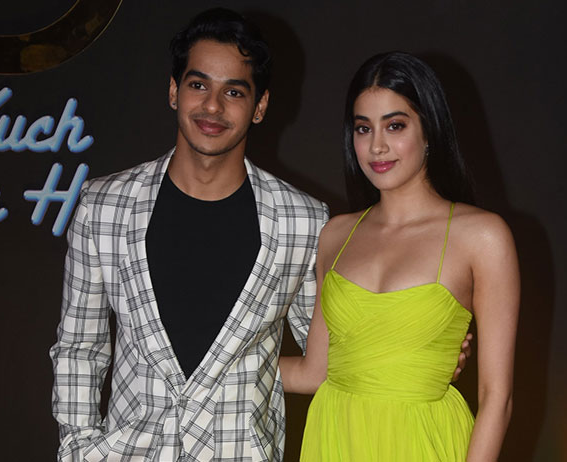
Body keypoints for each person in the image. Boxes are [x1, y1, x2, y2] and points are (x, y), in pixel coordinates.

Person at [48, 9, 328, 461]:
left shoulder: (304, 221)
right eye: (198, 85)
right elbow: (80, 347)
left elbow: (334, 357)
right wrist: (79, 446)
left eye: (233, 91)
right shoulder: (103, 206)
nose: (213, 106)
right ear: (174, 91)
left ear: (259, 106)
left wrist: (422, 350)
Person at [280, 51, 520, 461]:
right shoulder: (335, 235)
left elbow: (497, 397)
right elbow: (312, 372)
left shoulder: (482, 236)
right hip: (335, 440)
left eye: (395, 125)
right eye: (363, 128)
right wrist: (220, 365)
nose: (377, 146)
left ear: (429, 132)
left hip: (424, 442)